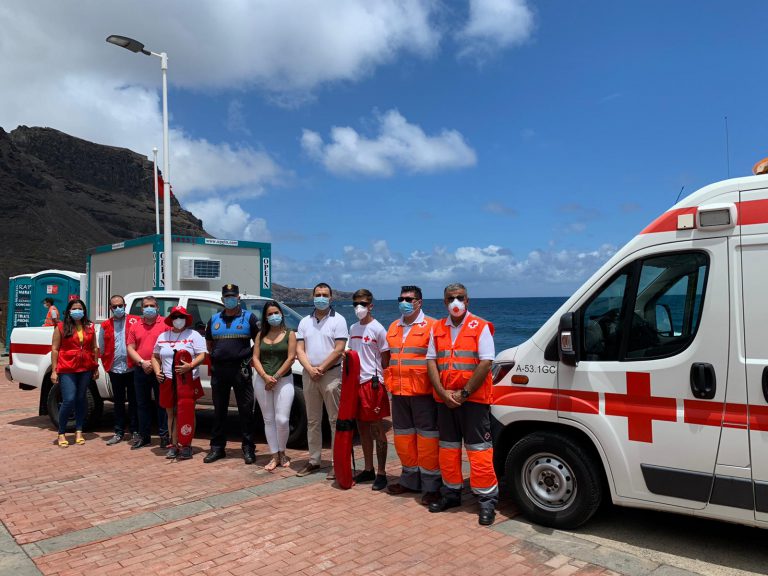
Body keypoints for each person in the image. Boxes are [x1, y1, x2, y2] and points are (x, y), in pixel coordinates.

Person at [426, 283, 498, 526]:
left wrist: (463, 394)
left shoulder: (481, 327)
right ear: (444, 302)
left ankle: (486, 501)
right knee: (448, 449)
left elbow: (486, 363)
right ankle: (451, 493)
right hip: (445, 401)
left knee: (479, 452)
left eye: (460, 297)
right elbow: (431, 362)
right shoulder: (437, 328)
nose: (455, 302)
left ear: (468, 300)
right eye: (450, 298)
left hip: (474, 402)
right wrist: (442, 392)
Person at [384, 285, 441, 505]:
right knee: (403, 439)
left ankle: (432, 486)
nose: (404, 302)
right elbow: (388, 357)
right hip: (398, 393)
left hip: (423, 393)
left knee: (427, 440)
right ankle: (409, 480)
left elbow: (439, 360)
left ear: (420, 302)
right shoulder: (393, 326)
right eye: (401, 298)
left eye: (409, 299)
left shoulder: (433, 326)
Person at [295, 283, 349, 479]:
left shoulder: (339, 320)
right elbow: (299, 349)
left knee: (334, 421)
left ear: (331, 298)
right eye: (318, 294)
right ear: (312, 296)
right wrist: (310, 369)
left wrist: (322, 368)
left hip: (331, 375)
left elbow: (339, 348)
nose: (321, 298)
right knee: (312, 420)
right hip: (309, 375)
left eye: (325, 295)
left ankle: (337, 462)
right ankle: (314, 460)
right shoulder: (304, 322)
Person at [204, 284, 259, 464]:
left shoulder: (249, 318)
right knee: (219, 410)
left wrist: (248, 359)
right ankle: (217, 448)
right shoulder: (213, 320)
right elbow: (209, 344)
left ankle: (248, 448)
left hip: (240, 369)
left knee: (245, 410)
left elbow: (258, 341)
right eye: (227, 297)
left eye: (233, 296)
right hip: (219, 370)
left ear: (238, 298)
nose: (230, 299)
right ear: (222, 299)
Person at [152, 306, 207, 460]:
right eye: (175, 316)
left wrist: (190, 366)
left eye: (181, 316)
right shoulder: (163, 336)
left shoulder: (193, 335)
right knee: (171, 413)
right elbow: (154, 356)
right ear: (171, 319)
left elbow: (201, 355)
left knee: (188, 411)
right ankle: (174, 444)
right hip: (168, 380)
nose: (178, 320)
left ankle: (186, 444)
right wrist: (157, 371)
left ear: (186, 319)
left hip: (188, 381)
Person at [349, 289, 390, 491]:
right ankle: (368, 468)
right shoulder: (353, 327)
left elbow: (386, 357)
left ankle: (382, 473)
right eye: (356, 304)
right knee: (361, 427)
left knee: (376, 428)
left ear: (371, 305)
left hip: (372, 385)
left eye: (363, 304)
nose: (359, 308)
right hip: (355, 384)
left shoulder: (378, 329)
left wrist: (378, 377)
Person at [252, 301, 297, 471]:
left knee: (282, 419)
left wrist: (275, 377)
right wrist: (264, 376)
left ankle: (283, 451)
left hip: (283, 380)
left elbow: (291, 358)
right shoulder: (260, 335)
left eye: (276, 313)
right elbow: (255, 357)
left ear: (282, 314)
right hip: (262, 381)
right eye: (269, 314)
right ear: (265, 317)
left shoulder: (290, 334)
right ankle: (274, 455)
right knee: (268, 419)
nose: (273, 316)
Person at [50, 299, 99, 447]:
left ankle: (79, 430)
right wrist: (54, 370)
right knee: (69, 399)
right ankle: (61, 432)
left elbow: (94, 348)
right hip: (67, 368)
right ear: (69, 311)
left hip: (85, 368)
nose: (77, 311)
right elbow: (55, 349)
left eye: (80, 308)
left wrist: (95, 367)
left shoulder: (89, 327)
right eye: (74, 308)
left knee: (81, 398)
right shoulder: (60, 327)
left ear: (84, 311)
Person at [127, 296, 169, 450]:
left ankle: (165, 436)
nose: (148, 308)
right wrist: (142, 362)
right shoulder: (135, 326)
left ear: (157, 307)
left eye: (152, 305)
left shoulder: (165, 324)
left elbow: (170, 345)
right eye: (146, 306)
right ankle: (144, 437)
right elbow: (130, 347)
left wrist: (155, 363)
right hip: (141, 369)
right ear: (142, 308)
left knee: (162, 404)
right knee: (142, 404)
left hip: (161, 369)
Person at [99, 295, 140, 446]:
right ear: (110, 308)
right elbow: (101, 348)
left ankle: (135, 431)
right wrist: (106, 366)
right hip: (115, 369)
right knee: (118, 402)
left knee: (135, 401)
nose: (118, 308)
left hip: (132, 368)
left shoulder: (135, 321)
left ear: (125, 305)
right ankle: (119, 432)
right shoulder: (105, 325)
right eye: (114, 306)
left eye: (120, 305)